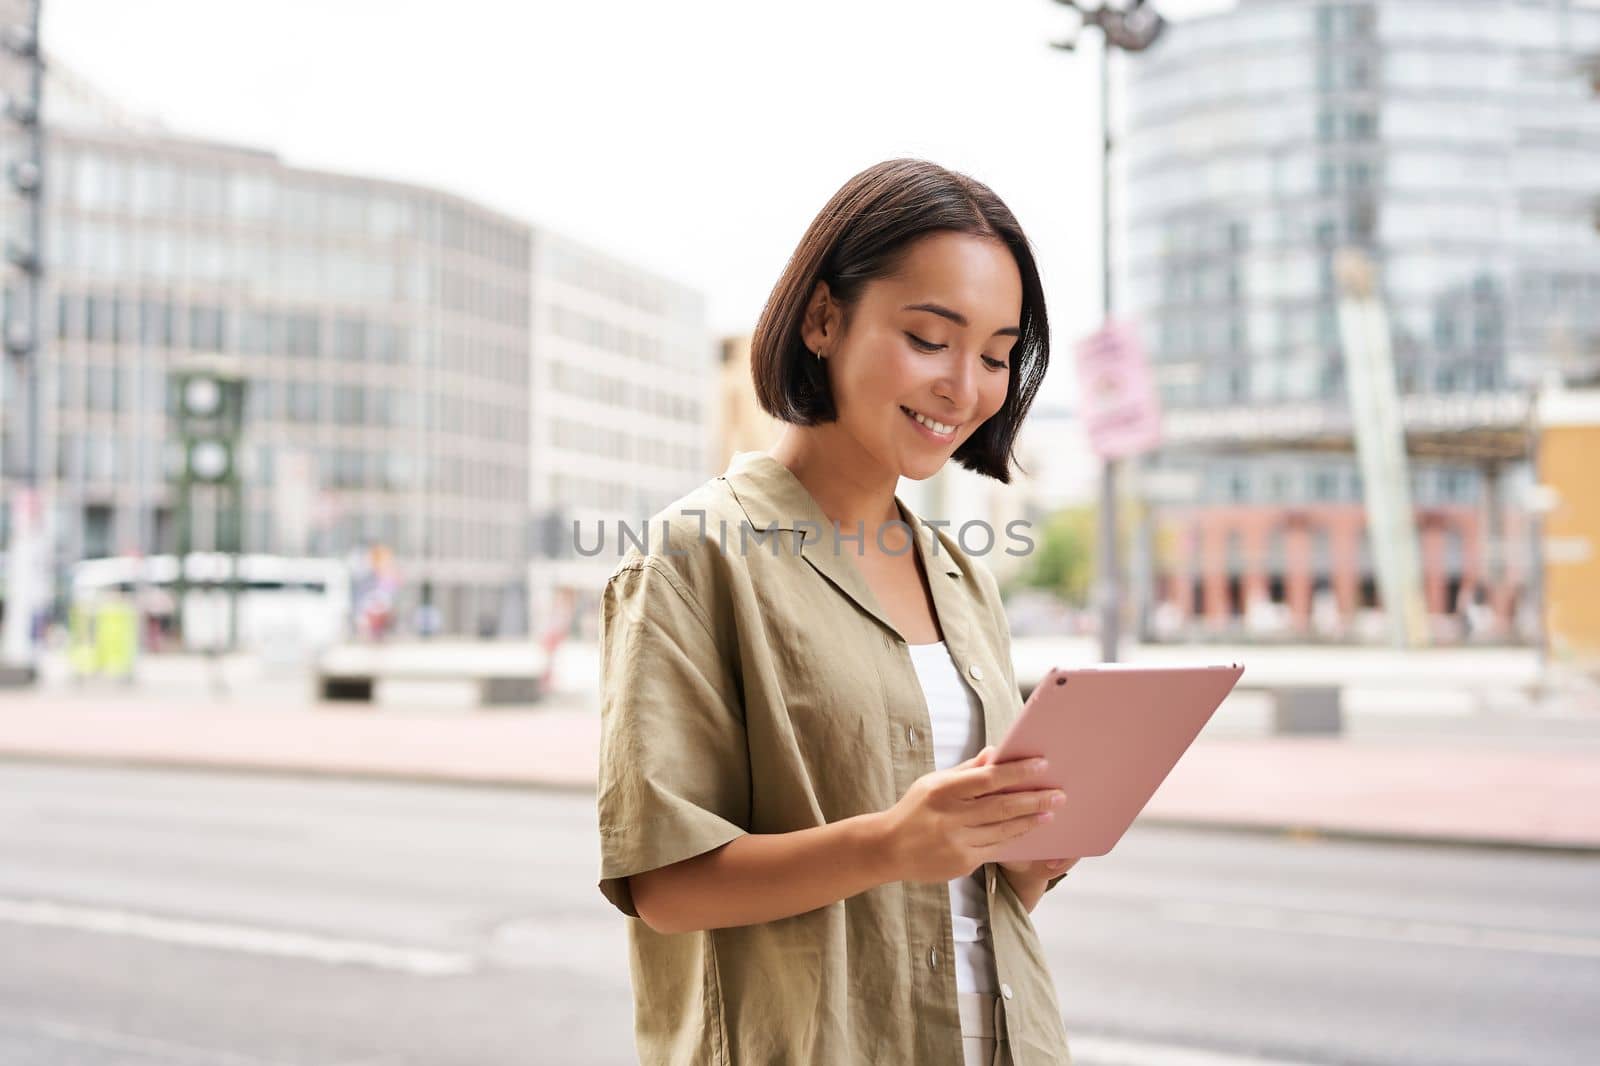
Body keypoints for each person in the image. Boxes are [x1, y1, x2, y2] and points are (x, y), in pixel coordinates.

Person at [596, 158, 1078, 1066]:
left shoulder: (960, 577)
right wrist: (895, 843)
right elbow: (664, 884)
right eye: (931, 339)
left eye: (994, 355)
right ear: (824, 318)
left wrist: (1026, 853)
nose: (964, 387)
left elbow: (975, 885)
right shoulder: (694, 557)